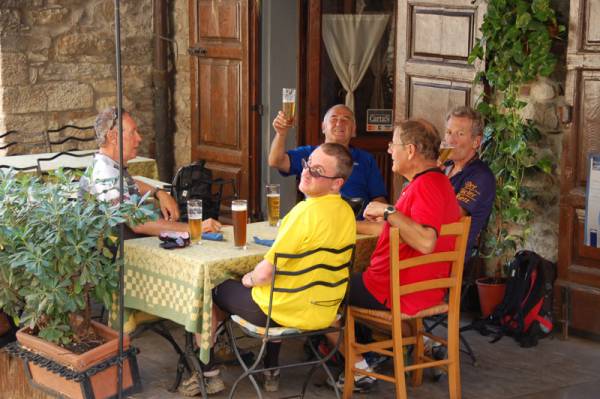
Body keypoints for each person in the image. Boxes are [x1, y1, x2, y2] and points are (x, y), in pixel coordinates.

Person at [212, 143, 357, 393]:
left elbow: (264, 274)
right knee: (274, 285)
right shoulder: (346, 212)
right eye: (308, 164)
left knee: (214, 286)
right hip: (323, 312)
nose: (307, 172)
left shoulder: (303, 212)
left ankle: (207, 371)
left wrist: (247, 279)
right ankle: (271, 367)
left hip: (277, 313)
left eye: (318, 171)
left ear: (336, 183)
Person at [337, 119, 461, 392]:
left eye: (393, 144)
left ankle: (358, 368)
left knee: (322, 288)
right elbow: (399, 229)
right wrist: (347, 223)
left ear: (411, 150)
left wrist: (389, 212)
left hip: (392, 290)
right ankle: (419, 343)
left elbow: (426, 240)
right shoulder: (437, 183)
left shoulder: (424, 186)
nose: (389, 149)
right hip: (423, 290)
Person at [80, 107, 221, 237]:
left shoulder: (108, 165)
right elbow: (138, 223)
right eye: (132, 132)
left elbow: (131, 183)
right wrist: (195, 228)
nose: (139, 138)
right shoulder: (104, 173)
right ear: (112, 137)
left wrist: (158, 193)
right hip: (117, 260)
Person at [269, 104, 387, 214]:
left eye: (346, 119)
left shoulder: (366, 159)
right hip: (318, 222)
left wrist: (378, 217)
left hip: (357, 227)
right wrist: (281, 134)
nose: (339, 123)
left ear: (353, 130)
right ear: (323, 127)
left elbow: (378, 198)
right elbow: (276, 161)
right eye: (334, 118)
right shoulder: (309, 153)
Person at [443, 106, 496, 259]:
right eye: (448, 132)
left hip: (446, 258)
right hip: (423, 245)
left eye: (460, 134)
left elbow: (454, 215)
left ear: (476, 142)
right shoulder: (442, 167)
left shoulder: (480, 176)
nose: (451, 140)